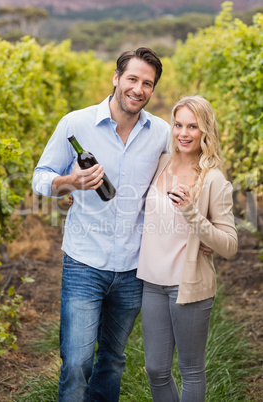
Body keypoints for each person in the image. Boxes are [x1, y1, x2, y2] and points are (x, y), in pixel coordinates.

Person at [32, 47, 171, 402]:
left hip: (132, 267)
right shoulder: (75, 124)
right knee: (77, 362)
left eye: (148, 84)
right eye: (133, 79)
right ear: (116, 78)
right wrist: (70, 183)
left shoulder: (161, 134)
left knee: (113, 360)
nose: (139, 89)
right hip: (83, 262)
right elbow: (40, 178)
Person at [137, 95, 238, 402]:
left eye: (192, 126)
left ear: (205, 130)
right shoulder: (161, 162)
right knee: (155, 369)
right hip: (152, 282)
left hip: (187, 285)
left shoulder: (214, 180)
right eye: (178, 124)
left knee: (191, 369)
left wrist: (193, 212)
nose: (183, 133)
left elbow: (230, 245)